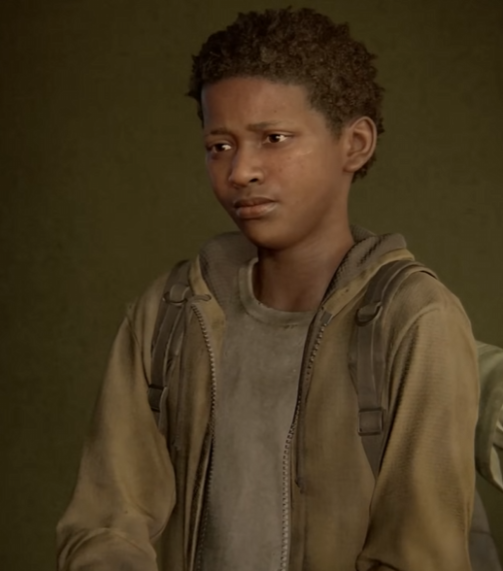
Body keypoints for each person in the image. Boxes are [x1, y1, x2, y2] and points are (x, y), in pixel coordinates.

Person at [56, 7, 479, 571]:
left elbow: (419, 554)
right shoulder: (169, 314)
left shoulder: (416, 320)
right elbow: (106, 521)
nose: (240, 172)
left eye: (274, 138)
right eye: (220, 146)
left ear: (354, 144)